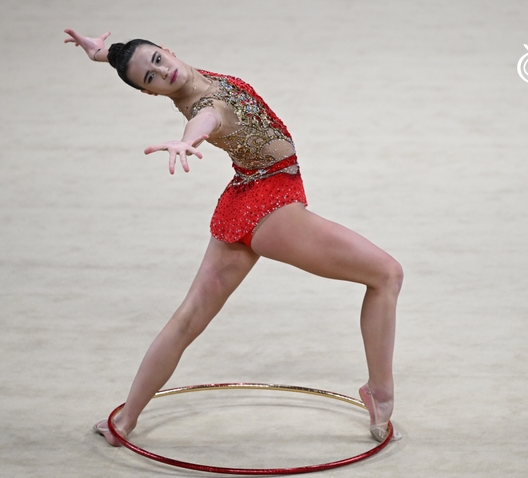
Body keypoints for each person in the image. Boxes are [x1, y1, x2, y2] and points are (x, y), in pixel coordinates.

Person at [64, 29, 404, 444]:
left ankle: (123, 422)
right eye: (150, 79)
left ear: (167, 49)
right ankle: (379, 392)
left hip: (241, 202)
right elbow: (208, 118)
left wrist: (104, 53)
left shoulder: (188, 74)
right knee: (386, 274)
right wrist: (187, 141)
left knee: (188, 318)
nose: (163, 72)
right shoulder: (203, 104)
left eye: (157, 60)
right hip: (271, 206)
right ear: (150, 94)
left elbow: (133, 60)